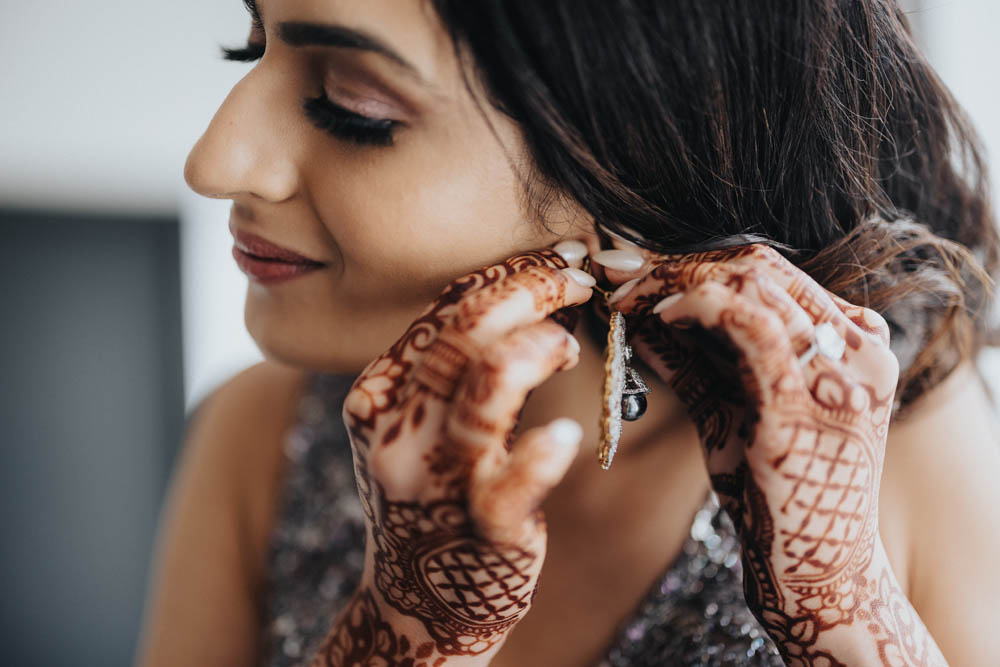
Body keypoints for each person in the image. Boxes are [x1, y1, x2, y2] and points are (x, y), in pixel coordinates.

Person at [135, 0, 1000, 665]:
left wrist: (839, 604)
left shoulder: (890, 441)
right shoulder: (258, 434)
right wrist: (404, 631)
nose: (215, 160)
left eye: (352, 106)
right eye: (253, 45)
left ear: (623, 165)